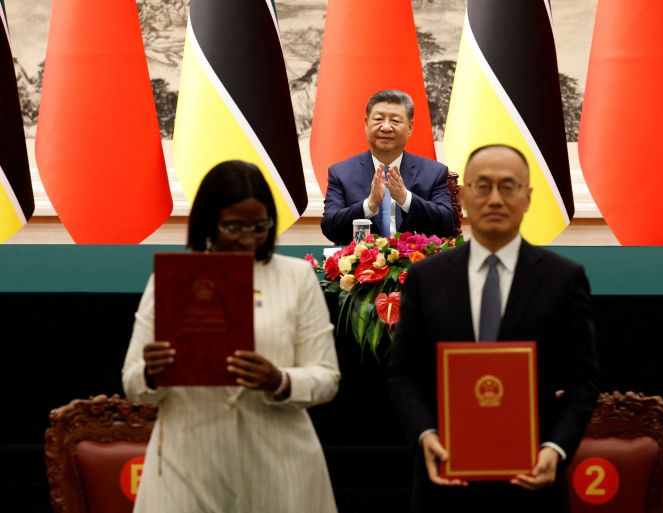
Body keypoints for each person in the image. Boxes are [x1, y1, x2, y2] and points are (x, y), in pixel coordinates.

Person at [387, 144, 599, 513]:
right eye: (482, 186)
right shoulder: (426, 277)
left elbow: (584, 380)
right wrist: (425, 435)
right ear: (465, 196)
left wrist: (556, 449)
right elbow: (404, 373)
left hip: (533, 479)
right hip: (445, 478)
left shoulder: (562, 279)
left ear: (528, 197)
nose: (496, 198)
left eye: (509, 186)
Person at [122, 160, 340, 513]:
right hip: (188, 464)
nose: (248, 239)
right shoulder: (172, 280)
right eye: (234, 227)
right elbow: (132, 383)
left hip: (280, 463)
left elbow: (327, 377)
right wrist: (151, 371)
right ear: (210, 223)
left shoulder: (297, 277)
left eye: (260, 226)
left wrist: (280, 381)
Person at [320, 89, 456, 245]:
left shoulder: (434, 173)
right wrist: (369, 205)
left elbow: (447, 225)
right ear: (366, 124)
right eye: (378, 119)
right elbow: (330, 228)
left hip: (416, 265)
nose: (385, 127)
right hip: (361, 266)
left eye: (395, 121)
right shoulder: (341, 173)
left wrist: (406, 199)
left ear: (410, 127)